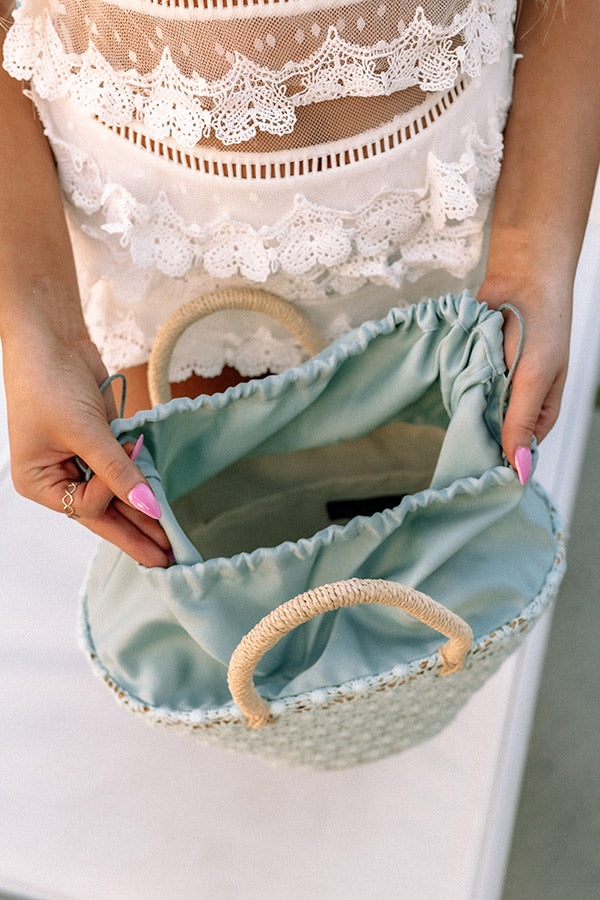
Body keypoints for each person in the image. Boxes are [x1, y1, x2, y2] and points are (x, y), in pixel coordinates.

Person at [0, 0, 598, 569]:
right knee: (201, 539)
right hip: (149, 227)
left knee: (423, 561)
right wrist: (39, 326)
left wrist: (531, 257)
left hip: (430, 215)